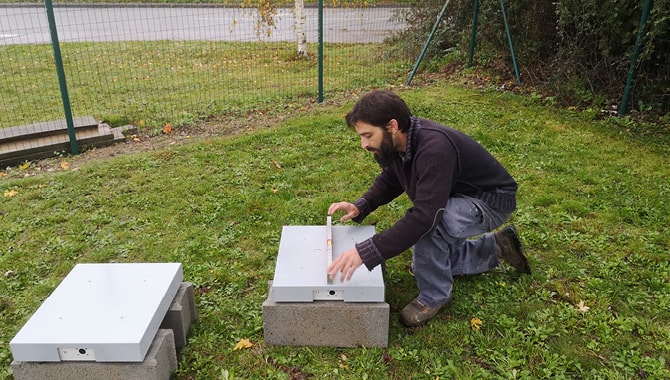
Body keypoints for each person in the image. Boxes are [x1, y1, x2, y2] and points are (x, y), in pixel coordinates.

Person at [327, 89, 530, 327]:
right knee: (424, 263)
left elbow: (425, 217)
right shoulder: (399, 144)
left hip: (490, 201)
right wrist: (362, 205)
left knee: (430, 228)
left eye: (368, 135)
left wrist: (366, 252)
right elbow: (392, 178)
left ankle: (433, 297)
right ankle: (496, 247)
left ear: (391, 126)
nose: (364, 144)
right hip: (459, 195)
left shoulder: (434, 148)